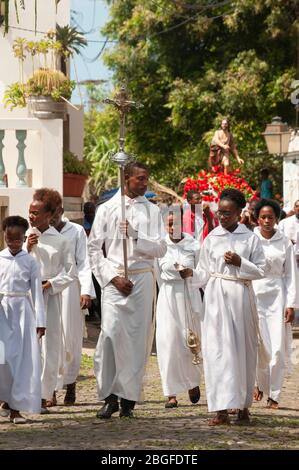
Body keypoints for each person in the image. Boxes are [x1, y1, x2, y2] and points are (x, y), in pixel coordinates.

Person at [88, 161, 167, 419]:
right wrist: (112, 278)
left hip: (142, 279)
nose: (145, 184)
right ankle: (109, 396)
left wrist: (136, 236)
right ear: (127, 179)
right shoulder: (108, 209)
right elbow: (94, 249)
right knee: (110, 337)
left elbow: (161, 249)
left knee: (136, 340)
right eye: (140, 179)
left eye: (147, 179)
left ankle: (128, 399)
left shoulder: (152, 211)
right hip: (115, 280)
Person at [189, 188, 266, 425]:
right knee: (217, 352)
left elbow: (261, 269)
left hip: (240, 295)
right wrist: (189, 275)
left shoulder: (250, 238)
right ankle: (220, 409)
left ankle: (243, 406)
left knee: (243, 350)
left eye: (227, 213)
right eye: (220, 212)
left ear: (239, 212)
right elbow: (203, 272)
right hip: (215, 297)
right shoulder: (212, 238)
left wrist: (240, 262)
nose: (222, 217)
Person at [26, 188, 77, 413]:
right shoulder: (25, 236)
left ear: (50, 214)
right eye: (30, 212)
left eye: (36, 213)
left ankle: (45, 394)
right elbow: (14, 263)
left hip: (50, 296)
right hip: (27, 297)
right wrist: (27, 248)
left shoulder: (61, 241)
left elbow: (70, 272)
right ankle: (26, 392)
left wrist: (51, 284)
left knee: (50, 345)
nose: (32, 217)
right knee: (29, 345)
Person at [252, 199, 298, 409]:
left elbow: (290, 276)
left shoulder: (284, 242)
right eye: (263, 217)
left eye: (271, 217)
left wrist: (291, 304)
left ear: (277, 219)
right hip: (254, 296)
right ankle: (259, 384)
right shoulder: (251, 239)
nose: (267, 221)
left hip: (277, 297)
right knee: (258, 346)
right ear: (257, 218)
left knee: (278, 347)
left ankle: (275, 394)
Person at [50, 194, 95, 406]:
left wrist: (86, 291)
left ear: (60, 211)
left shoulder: (76, 231)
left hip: (70, 289)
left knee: (71, 338)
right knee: (50, 339)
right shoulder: (38, 233)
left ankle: (70, 383)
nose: (49, 218)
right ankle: (49, 389)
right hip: (47, 289)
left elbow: (84, 263)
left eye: (53, 212)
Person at [0, 216, 45, 424]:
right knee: (3, 360)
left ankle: (16, 408)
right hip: (2, 314)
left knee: (20, 361)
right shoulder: (0, 259)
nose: (14, 244)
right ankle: (5, 400)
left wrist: (40, 321)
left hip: (22, 315)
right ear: (4, 236)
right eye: (10, 239)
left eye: (18, 240)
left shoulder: (30, 261)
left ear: (24, 237)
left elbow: (36, 291)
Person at [156, 210, 202, 408]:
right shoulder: (159, 245)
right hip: (167, 296)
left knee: (189, 340)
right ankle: (171, 392)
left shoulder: (193, 244)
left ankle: (192, 382)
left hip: (189, 295)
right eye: (169, 224)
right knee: (168, 342)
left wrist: (191, 274)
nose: (173, 228)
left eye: (176, 223)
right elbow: (157, 273)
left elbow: (203, 271)